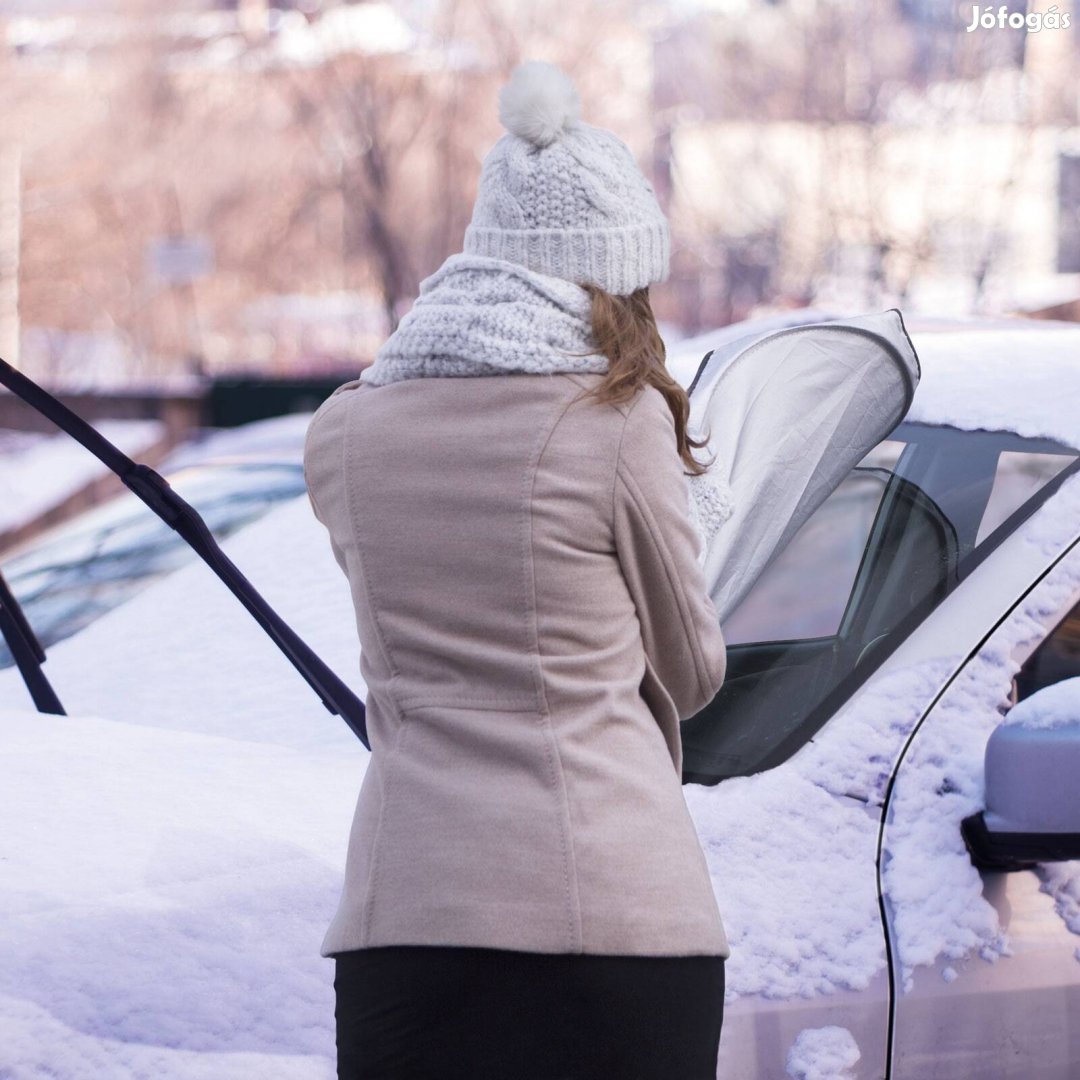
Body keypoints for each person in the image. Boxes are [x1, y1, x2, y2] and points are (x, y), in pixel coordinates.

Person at [303, 58, 731, 1080]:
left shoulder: (343, 431)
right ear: (610, 278)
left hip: (404, 919)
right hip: (614, 918)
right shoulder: (616, 427)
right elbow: (694, 672)